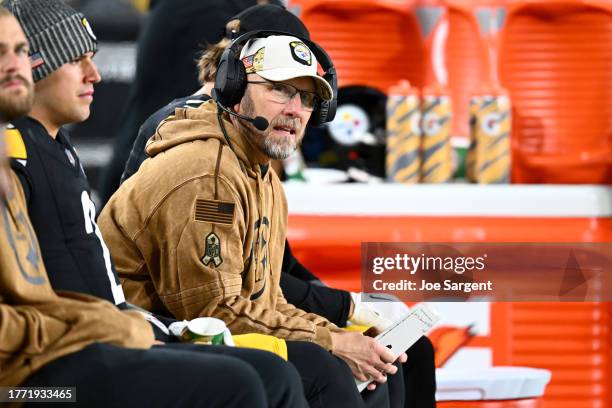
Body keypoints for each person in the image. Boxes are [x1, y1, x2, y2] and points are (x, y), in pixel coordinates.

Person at [118, 6, 437, 407]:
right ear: (234, 89)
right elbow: (214, 309)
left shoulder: (261, 172)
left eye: (306, 98)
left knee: (372, 361)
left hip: (193, 326)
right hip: (146, 334)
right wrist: (333, 337)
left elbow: (268, 298)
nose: (295, 110)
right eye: (280, 89)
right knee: (326, 368)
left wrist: (344, 335)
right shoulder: (206, 172)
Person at [2, 2, 309, 407]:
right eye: (76, 59)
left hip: (78, 346)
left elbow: (75, 293)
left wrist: (142, 326)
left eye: (21, 51)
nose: (94, 74)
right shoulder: (27, 152)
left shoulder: (50, 148)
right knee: (248, 379)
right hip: (31, 387)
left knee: (272, 372)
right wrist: (122, 326)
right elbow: (207, 302)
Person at [98, 0, 285, 205]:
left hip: (152, 166)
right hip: (161, 180)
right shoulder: (211, 13)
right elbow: (225, 111)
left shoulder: (234, 13)